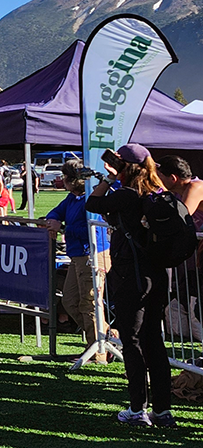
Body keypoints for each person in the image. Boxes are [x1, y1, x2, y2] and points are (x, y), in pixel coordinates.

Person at [85, 143, 175, 427]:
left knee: (133, 341)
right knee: (154, 342)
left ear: (125, 165)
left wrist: (108, 179)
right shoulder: (157, 192)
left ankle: (138, 408)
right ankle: (163, 410)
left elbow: (93, 204)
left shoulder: (126, 194)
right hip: (157, 275)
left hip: (131, 276)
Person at [46, 159, 110, 361]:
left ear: (74, 180)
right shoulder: (72, 197)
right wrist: (52, 219)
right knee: (69, 300)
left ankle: (98, 351)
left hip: (92, 255)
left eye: (65, 177)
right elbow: (58, 211)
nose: (61, 180)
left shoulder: (90, 199)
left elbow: (94, 230)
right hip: (76, 256)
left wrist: (64, 228)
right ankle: (107, 338)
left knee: (89, 303)